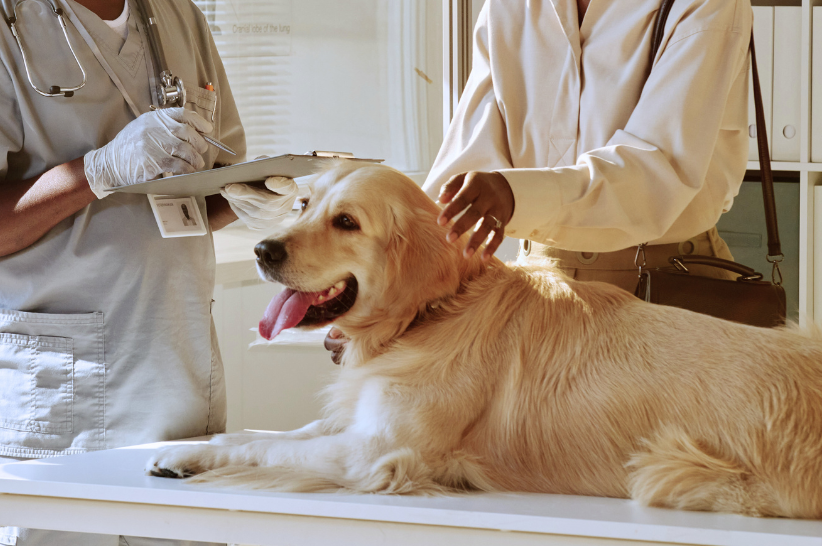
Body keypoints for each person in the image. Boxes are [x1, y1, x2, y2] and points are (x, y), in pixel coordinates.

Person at [0, 0, 296, 544]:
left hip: (176, 370)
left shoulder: (178, 15)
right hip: (64, 385)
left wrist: (248, 197)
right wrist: (97, 171)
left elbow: (204, 186)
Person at [325, 0, 753, 360]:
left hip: (669, 287)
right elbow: (462, 175)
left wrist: (513, 194)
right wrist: (387, 300)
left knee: (673, 459)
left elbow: (658, 169)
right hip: (536, 290)